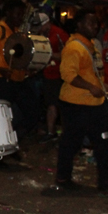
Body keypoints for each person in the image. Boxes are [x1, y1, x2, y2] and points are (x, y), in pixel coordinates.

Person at [54, 8, 108, 192]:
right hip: (76, 104)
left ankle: (105, 180)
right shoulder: (74, 47)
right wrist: (91, 87)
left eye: (96, 23)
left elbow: (93, 73)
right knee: (72, 142)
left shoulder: (91, 45)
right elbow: (67, 74)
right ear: (79, 25)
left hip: (94, 103)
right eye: (90, 23)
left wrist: (104, 87)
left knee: (103, 141)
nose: (95, 26)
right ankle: (63, 178)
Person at [0, 0, 40, 138]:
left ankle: (12, 140)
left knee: (33, 113)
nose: (20, 18)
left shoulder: (14, 31)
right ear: (8, 12)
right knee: (2, 118)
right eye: (17, 14)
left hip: (16, 79)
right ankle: (6, 143)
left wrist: (26, 70)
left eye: (22, 15)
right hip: (2, 80)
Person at [35, 10, 69, 142]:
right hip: (48, 74)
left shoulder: (59, 34)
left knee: (62, 105)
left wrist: (48, 54)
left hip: (60, 74)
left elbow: (67, 54)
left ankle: (66, 133)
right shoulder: (41, 34)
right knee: (50, 104)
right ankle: (51, 131)